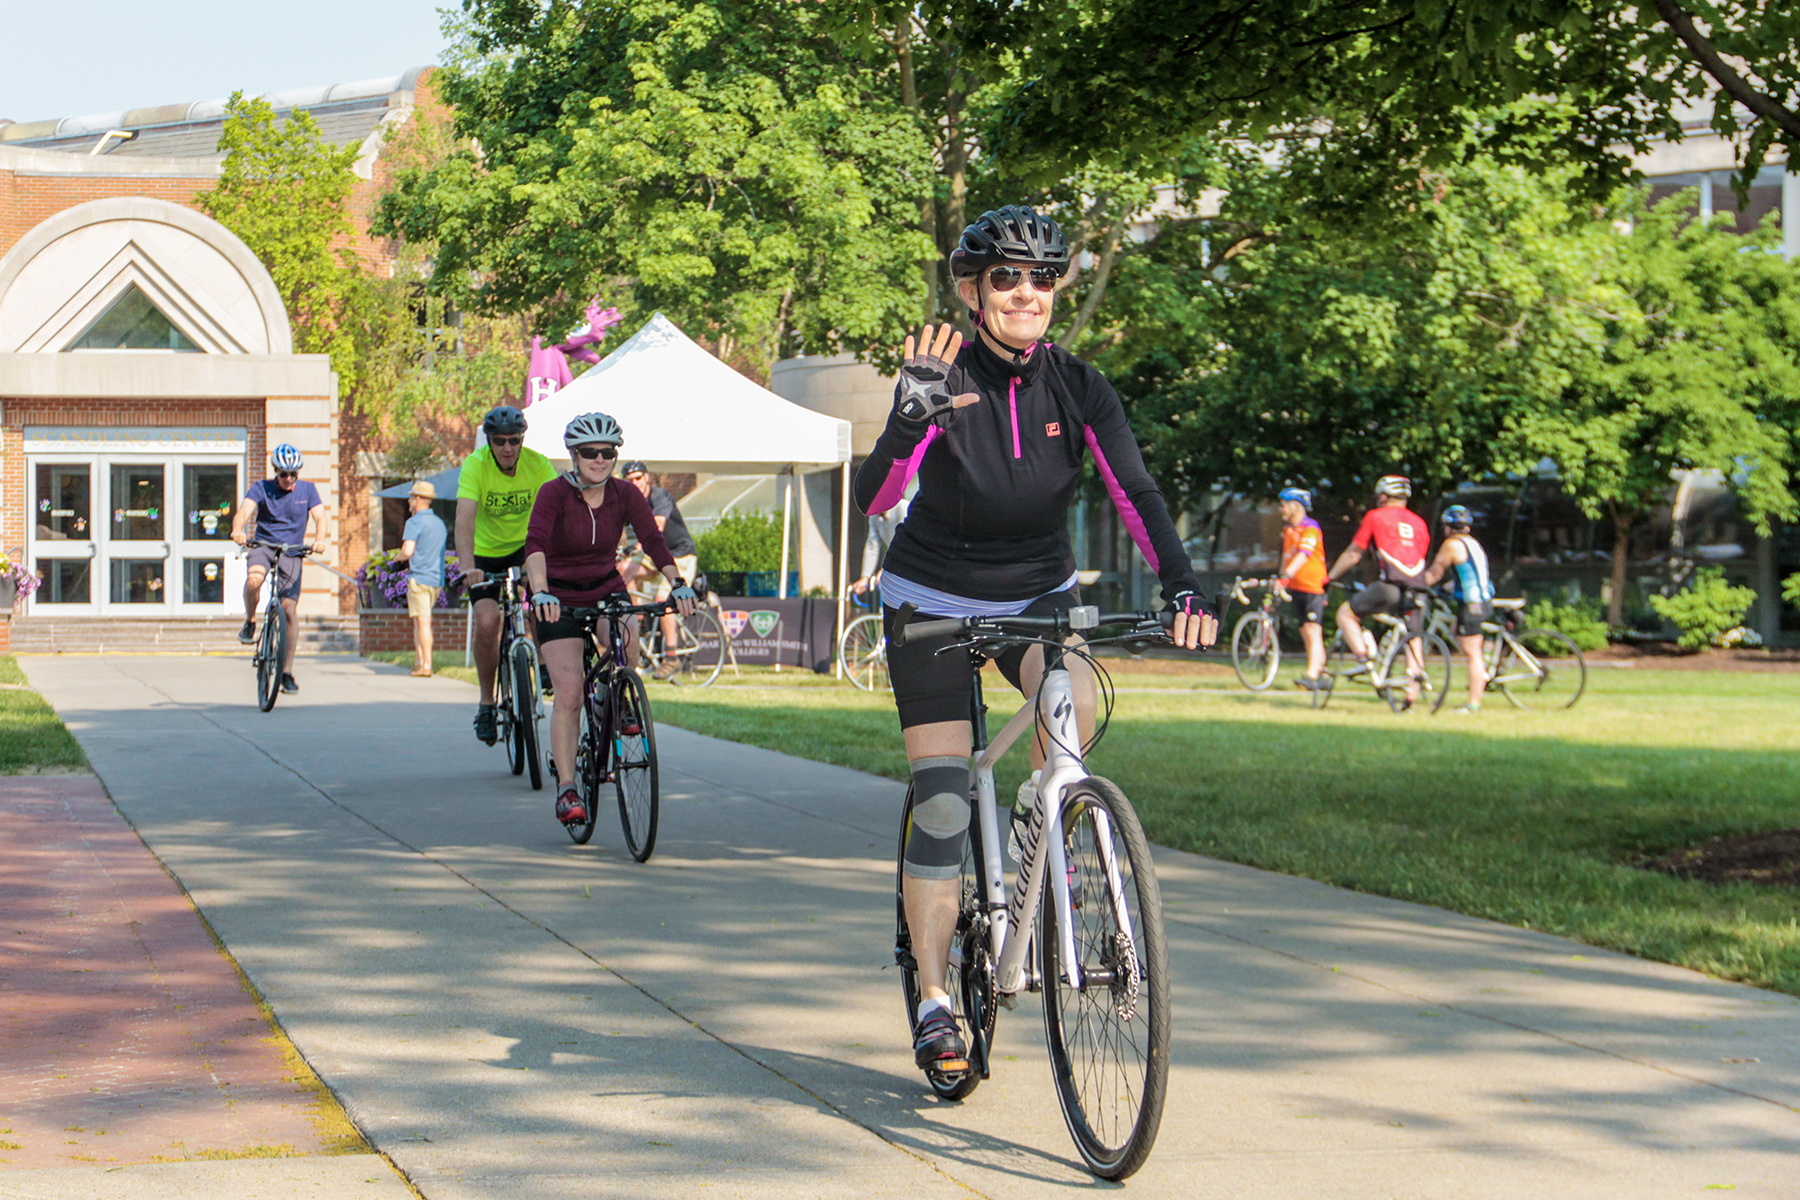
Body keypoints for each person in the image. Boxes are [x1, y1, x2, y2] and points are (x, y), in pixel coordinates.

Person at [853, 204, 1219, 1080]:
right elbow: (874, 497)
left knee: (1077, 718)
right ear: (973, 291)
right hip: (932, 601)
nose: (1028, 293)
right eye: (1007, 278)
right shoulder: (940, 378)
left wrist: (1183, 582)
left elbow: (1137, 493)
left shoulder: (1080, 386)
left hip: (1036, 597)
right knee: (941, 805)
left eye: (1043, 278)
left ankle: (1042, 820)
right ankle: (937, 1002)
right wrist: (910, 417)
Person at [525, 414, 699, 827]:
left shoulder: (624, 494)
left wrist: (678, 583)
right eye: (590, 453)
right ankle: (568, 787)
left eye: (608, 452)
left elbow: (653, 540)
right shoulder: (554, 494)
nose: (600, 459)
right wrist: (540, 590)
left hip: (605, 586)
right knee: (568, 694)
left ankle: (613, 695)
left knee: (628, 633)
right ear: (574, 455)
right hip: (559, 597)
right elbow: (535, 544)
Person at [457, 405, 559, 744]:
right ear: (489, 441)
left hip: (528, 547)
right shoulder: (476, 465)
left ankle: (543, 664)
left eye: (514, 440)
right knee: (487, 621)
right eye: (499, 441)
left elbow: (556, 512)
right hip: (485, 554)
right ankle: (487, 702)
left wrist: (545, 563)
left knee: (540, 603)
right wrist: (467, 567)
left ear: (521, 439)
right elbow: (465, 519)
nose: (507, 448)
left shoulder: (538, 464)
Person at [1324, 474, 1430, 707]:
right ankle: (1411, 694)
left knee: (1345, 613)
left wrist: (1329, 577)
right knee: (1414, 638)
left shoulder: (1375, 516)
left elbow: (1354, 554)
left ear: (1383, 496)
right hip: (1418, 589)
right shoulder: (1419, 523)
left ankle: (1364, 658)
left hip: (1389, 587)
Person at [231, 443, 324, 696]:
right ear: (276, 472)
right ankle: (250, 621)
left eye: (294, 474)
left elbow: (320, 517)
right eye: (284, 474)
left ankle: (286, 672)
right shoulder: (261, 488)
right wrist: (238, 529)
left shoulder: (308, 490)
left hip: (292, 550)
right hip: (263, 544)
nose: (289, 479)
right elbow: (243, 512)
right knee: (254, 580)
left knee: (290, 610)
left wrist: (320, 538)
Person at [617, 461, 700, 680]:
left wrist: (636, 547)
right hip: (654, 555)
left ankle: (671, 656)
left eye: (638, 478)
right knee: (622, 570)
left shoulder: (660, 496)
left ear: (647, 478)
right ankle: (635, 621)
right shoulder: (630, 502)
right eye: (630, 480)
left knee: (662, 598)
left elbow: (656, 528)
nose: (635, 483)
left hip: (680, 554)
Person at [1422, 504, 1494, 713]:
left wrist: (1414, 583)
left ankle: (1473, 702)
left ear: (1446, 528)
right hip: (1484, 601)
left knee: (1472, 654)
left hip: (1471, 606)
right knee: (1456, 631)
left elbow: (1434, 573)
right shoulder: (1473, 544)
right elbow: (1468, 575)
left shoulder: (1451, 544)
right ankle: (1484, 668)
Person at [1274, 486, 1328, 688]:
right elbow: (1286, 558)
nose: (1281, 510)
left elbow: (1303, 555)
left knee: (1313, 630)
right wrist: (1281, 579)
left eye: (1284, 505)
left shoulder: (1310, 528)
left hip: (1312, 586)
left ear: (1296, 506)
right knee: (1306, 631)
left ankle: (1312, 675)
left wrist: (1285, 577)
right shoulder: (1288, 530)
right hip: (1296, 586)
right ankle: (1320, 673)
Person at [393, 480, 448, 678]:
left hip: (419, 579)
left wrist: (395, 558)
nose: (408, 500)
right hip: (436, 579)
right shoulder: (439, 523)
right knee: (419, 622)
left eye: (411, 497)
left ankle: (426, 665)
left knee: (423, 622)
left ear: (418, 499)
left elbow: (407, 551)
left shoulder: (414, 522)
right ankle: (418, 662)